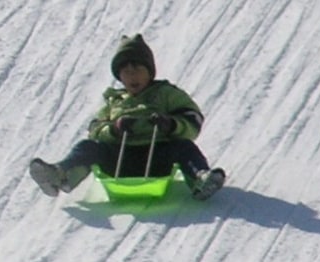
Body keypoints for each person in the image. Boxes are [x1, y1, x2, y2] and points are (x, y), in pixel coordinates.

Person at [25, 35, 228, 200]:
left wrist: (171, 125)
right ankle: (60, 175)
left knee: (183, 147)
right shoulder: (114, 101)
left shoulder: (165, 93)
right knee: (88, 147)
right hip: (120, 160)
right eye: (126, 72)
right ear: (119, 76)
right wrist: (114, 129)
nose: (132, 76)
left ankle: (200, 178)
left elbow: (193, 118)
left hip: (156, 157)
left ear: (149, 72)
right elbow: (95, 128)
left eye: (137, 70)